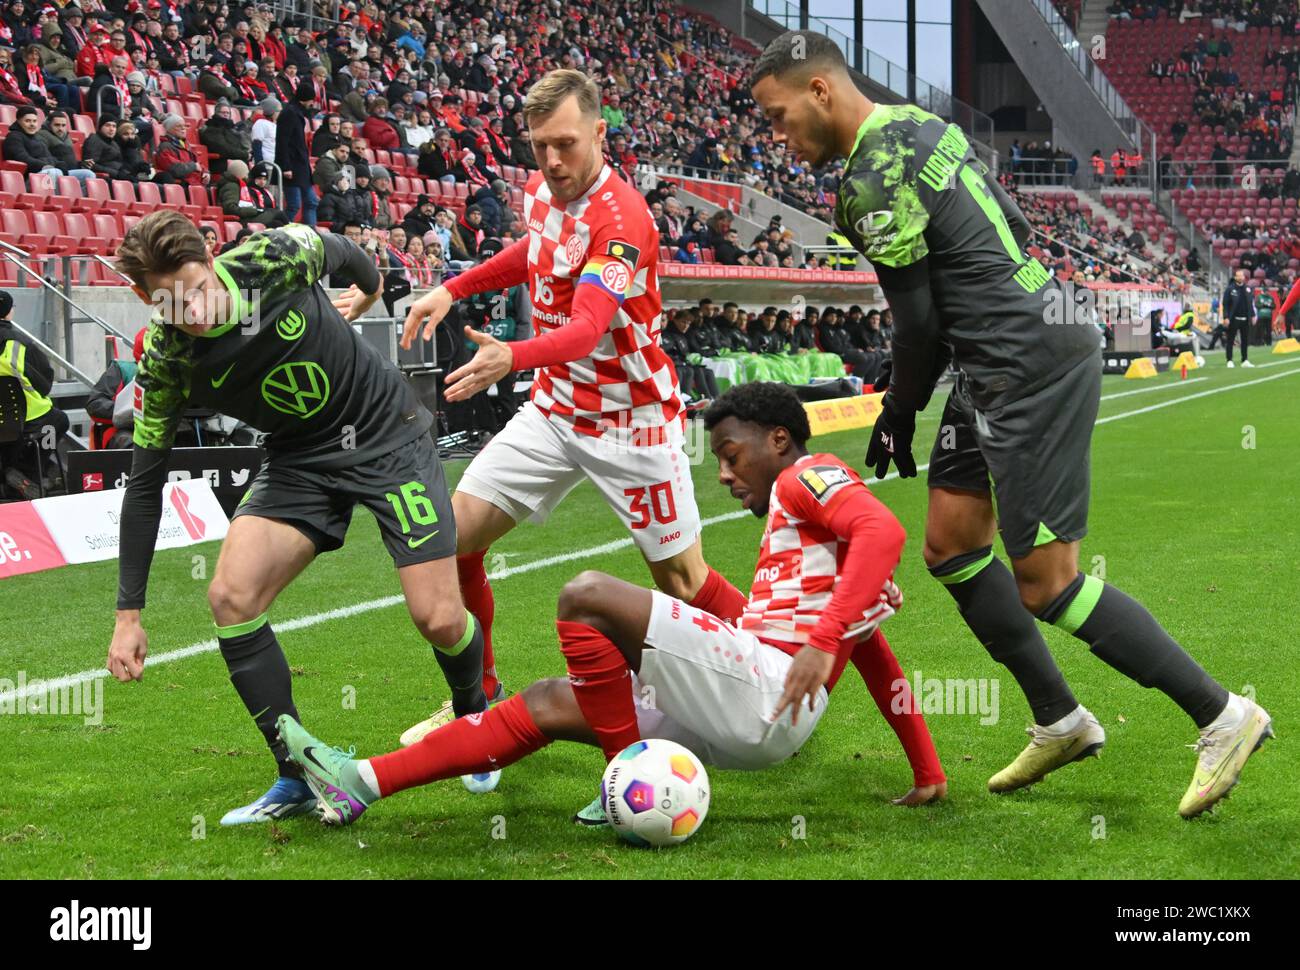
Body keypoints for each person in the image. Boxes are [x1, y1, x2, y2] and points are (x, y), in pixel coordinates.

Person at [750, 30, 1271, 819]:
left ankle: (1223, 714)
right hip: (1006, 347)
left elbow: (917, 325)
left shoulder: (867, 180)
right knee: (952, 546)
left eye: (780, 116)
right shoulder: (922, 125)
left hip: (1020, 364)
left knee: (1047, 584)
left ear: (819, 91)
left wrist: (897, 408)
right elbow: (1014, 233)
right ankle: (1062, 720)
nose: (778, 137)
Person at [274, 382, 947, 826]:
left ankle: (622, 775)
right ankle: (361, 782)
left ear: (779, 440)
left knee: (586, 597)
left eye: (732, 455)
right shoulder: (810, 547)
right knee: (544, 700)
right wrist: (928, 769)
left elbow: (884, 530)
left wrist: (822, 641)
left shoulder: (809, 473)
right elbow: (875, 648)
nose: (722, 473)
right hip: (752, 712)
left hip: (762, 693)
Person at [104, 210, 493, 825]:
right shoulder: (167, 359)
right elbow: (145, 484)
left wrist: (365, 293)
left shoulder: (277, 256)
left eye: (198, 290)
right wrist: (129, 616)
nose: (193, 313)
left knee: (440, 617)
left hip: (388, 435)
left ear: (212, 257)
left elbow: (349, 253)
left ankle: (476, 717)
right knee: (231, 596)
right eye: (169, 302)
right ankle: (297, 776)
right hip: (300, 461)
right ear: (142, 296)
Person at [397, 71, 736, 771]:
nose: (552, 161)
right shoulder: (541, 194)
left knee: (683, 582)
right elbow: (535, 254)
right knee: (453, 539)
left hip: (631, 422)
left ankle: (777, 668)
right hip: (554, 411)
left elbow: (586, 328)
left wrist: (510, 356)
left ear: (600, 134)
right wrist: (452, 288)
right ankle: (479, 698)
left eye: (566, 145)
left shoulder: (623, 221)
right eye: (540, 146)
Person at [0, 289, 68, 496]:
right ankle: (27, 471)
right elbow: (45, 384)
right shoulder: (20, 343)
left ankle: (8, 472)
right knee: (58, 421)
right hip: (25, 419)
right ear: (9, 312)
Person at [276, 80, 317, 226]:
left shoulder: (296, 112)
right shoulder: (289, 113)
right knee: (294, 205)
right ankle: (281, 231)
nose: (312, 103)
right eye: (311, 99)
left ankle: (312, 233)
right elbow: (283, 142)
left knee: (312, 201)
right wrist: (285, 166)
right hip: (292, 166)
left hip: (301, 166)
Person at [1221, 267, 1255, 368]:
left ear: (1244, 277)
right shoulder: (1230, 289)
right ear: (1235, 277)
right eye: (1238, 275)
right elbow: (1225, 304)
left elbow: (1250, 304)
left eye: (1242, 275)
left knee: (1245, 341)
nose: (1241, 277)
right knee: (1230, 340)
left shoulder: (1248, 289)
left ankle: (1244, 360)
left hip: (1245, 319)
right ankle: (1229, 360)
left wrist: (1252, 315)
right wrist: (1226, 317)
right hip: (1234, 319)